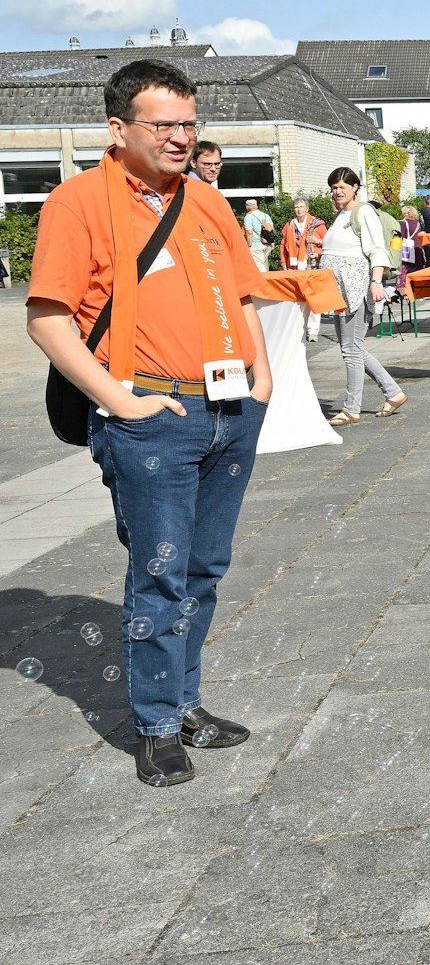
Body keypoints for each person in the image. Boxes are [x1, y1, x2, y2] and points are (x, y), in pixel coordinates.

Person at [25, 59, 273, 787]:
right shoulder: (79, 202)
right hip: (152, 415)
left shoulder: (207, 201)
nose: (179, 137)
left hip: (230, 409)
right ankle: (158, 724)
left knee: (204, 568)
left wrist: (261, 377)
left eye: (189, 124)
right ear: (118, 128)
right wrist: (124, 400)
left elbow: (246, 295)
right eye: (162, 124)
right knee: (161, 575)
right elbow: (47, 319)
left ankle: (187, 701)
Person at [319, 167, 406, 424]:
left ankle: (351, 408)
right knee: (352, 348)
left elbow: (377, 250)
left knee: (350, 349)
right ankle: (394, 392)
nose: (337, 192)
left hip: (355, 288)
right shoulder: (341, 215)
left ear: (355, 187)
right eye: (334, 188)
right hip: (339, 289)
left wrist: (376, 282)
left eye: (342, 187)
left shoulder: (363, 211)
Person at [280, 196, 324, 272]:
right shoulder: (289, 225)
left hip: (313, 266)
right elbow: (283, 246)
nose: (299, 209)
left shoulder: (317, 224)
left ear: (307, 208)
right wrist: (284, 265)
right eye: (296, 207)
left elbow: (329, 244)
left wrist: (317, 241)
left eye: (301, 207)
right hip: (293, 267)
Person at [240, 197, 274, 269]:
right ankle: (268, 279)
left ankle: (264, 280)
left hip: (256, 246)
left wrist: (249, 246)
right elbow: (272, 229)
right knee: (264, 264)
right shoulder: (265, 215)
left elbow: (249, 232)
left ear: (247, 207)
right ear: (256, 206)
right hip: (268, 244)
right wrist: (272, 243)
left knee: (260, 268)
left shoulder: (248, 217)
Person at [396, 204, 422, 294]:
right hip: (417, 249)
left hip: (406, 251)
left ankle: (403, 291)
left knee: (403, 271)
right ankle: (416, 291)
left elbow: (400, 237)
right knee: (415, 272)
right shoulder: (418, 224)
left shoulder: (402, 223)